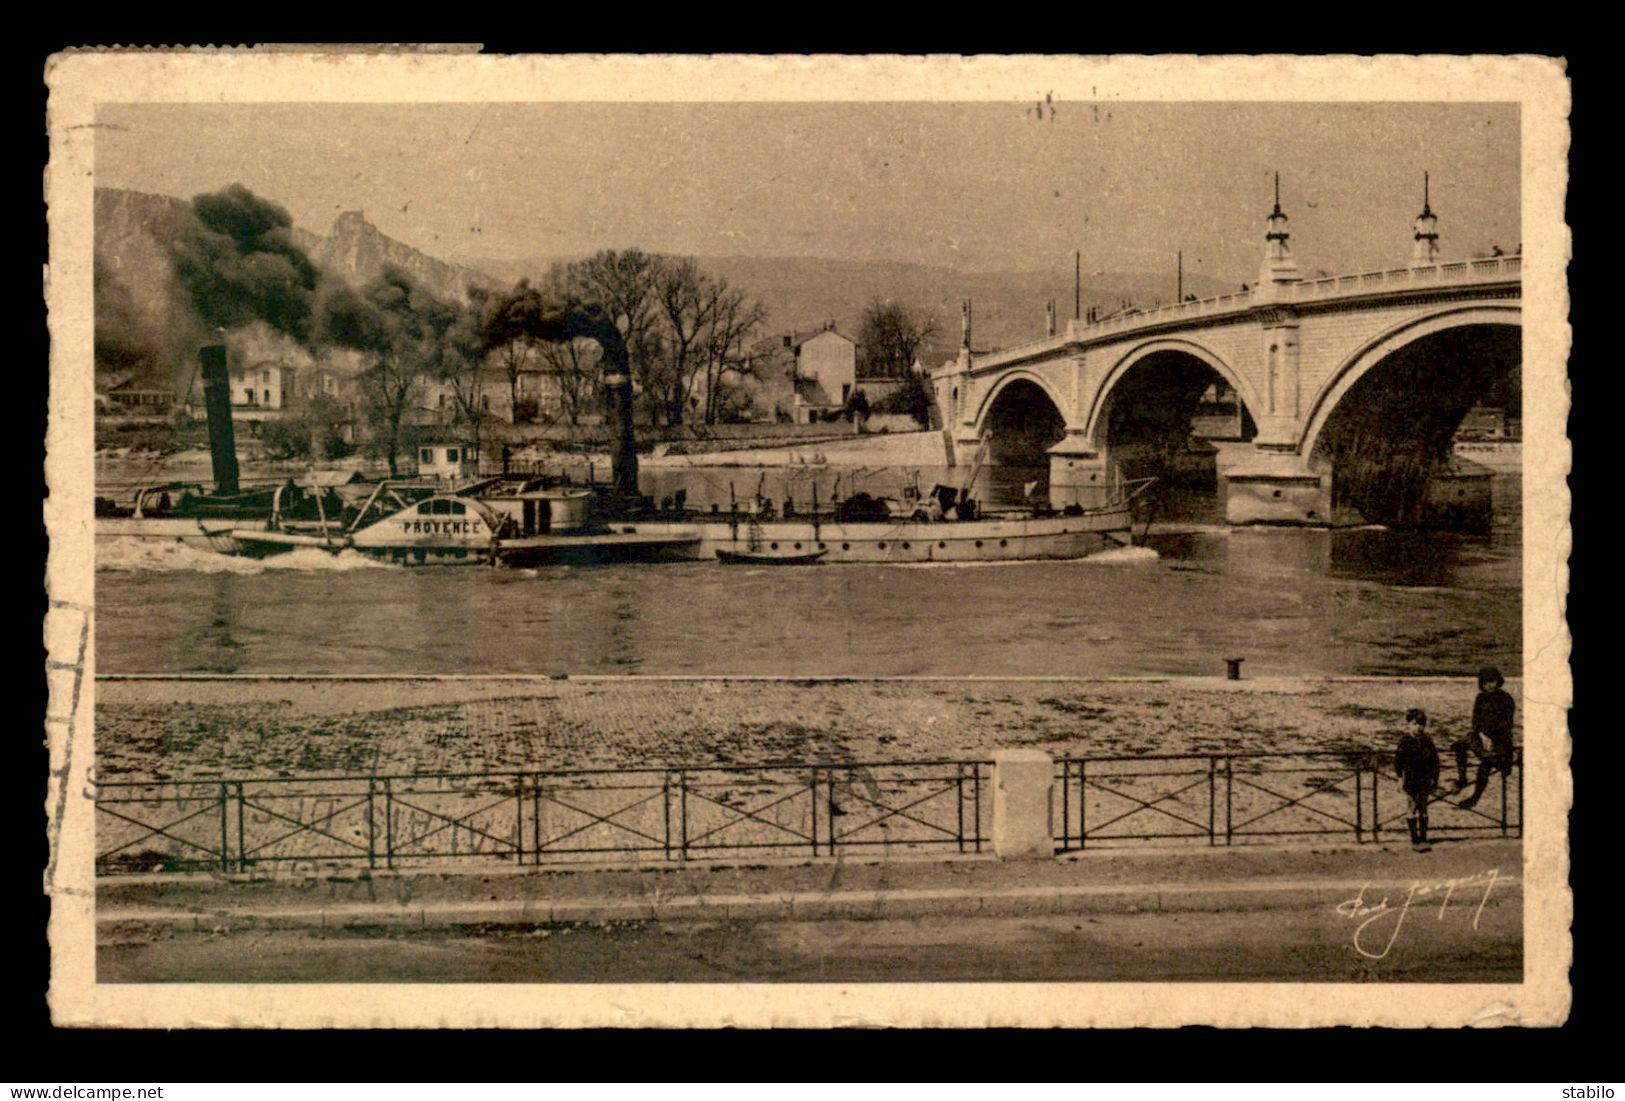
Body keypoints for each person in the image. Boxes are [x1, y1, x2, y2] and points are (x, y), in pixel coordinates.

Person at [1452, 666, 1516, 809]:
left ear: (1498, 681)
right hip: (1483, 737)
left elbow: (1506, 725)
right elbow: (1476, 721)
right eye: (1486, 682)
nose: (1489, 685)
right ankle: (1462, 779)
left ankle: (1475, 798)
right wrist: (1482, 735)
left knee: (1486, 762)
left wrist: (1491, 739)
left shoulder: (1506, 699)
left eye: (1492, 681)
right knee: (1459, 745)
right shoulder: (1480, 698)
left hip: (1500, 741)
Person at [1394, 708, 1441, 851]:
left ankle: (1424, 838)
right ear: (1408, 724)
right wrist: (1399, 778)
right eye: (1415, 724)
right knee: (1411, 807)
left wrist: (1435, 778)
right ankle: (1414, 840)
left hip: (1425, 778)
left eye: (1421, 724)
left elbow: (1435, 761)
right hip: (1410, 778)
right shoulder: (1405, 740)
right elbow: (1398, 762)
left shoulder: (1427, 740)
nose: (1418, 727)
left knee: (1424, 808)